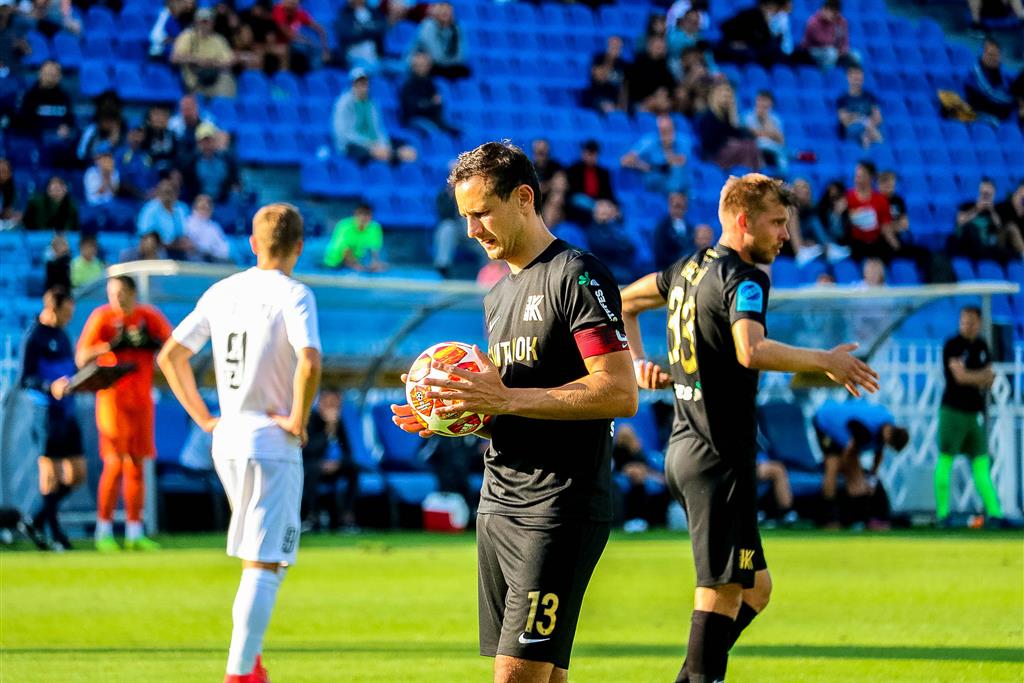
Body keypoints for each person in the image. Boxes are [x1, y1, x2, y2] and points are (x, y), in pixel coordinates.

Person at [391, 141, 638, 683]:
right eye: (465, 216)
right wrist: (457, 413)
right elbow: (519, 405)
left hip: (558, 505)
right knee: (543, 675)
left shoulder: (576, 274)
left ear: (524, 198)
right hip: (498, 502)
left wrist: (502, 400)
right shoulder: (497, 296)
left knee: (515, 675)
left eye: (481, 212)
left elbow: (618, 391)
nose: (471, 230)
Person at [619, 173, 879, 683]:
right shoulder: (745, 278)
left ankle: (693, 675)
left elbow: (625, 302)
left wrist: (636, 362)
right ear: (744, 221)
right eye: (777, 222)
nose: (785, 234)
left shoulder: (689, 267)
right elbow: (751, 349)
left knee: (755, 589)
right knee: (719, 591)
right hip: (716, 455)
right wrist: (826, 361)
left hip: (689, 449)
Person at [158, 203, 322, 683]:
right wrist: (298, 418)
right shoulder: (294, 293)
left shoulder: (222, 290)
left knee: (263, 558)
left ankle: (250, 661)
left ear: (252, 244)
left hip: (228, 437)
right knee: (265, 563)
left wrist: (203, 417)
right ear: (298, 247)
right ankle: (239, 673)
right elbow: (310, 361)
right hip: (270, 439)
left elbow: (171, 356)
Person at [76, 275, 173, 552]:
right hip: (112, 401)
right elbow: (81, 357)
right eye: (111, 294)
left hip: (141, 401)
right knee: (114, 463)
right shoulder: (102, 317)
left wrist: (154, 343)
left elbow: (172, 345)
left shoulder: (148, 316)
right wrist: (110, 346)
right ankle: (104, 530)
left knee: (137, 465)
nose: (115, 299)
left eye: (119, 293)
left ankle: (134, 531)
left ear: (132, 292)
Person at [18, 287, 85, 551]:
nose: (69, 318)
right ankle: (55, 533)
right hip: (46, 413)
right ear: (52, 309)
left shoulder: (63, 335)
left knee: (77, 474)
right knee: (51, 474)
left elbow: (70, 369)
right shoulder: (34, 337)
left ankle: (35, 520)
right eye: (66, 312)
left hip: (68, 411)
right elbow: (25, 379)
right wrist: (49, 387)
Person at [935, 306, 1005, 528]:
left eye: (971, 322)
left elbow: (990, 379)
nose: (967, 325)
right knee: (946, 459)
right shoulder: (953, 345)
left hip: (974, 413)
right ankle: (942, 514)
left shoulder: (982, 346)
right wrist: (979, 377)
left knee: (981, 464)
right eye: (964, 321)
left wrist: (973, 376)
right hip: (953, 411)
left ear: (979, 323)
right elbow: (960, 377)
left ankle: (995, 513)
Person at [814, 399, 909, 529]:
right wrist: (852, 477)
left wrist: (872, 478)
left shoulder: (887, 425)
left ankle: (858, 516)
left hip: (844, 427)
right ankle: (830, 517)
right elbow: (849, 452)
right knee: (833, 465)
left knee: (855, 475)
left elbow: (879, 453)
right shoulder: (865, 429)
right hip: (826, 422)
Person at [332, 68, 417, 164]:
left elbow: (379, 129)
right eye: (359, 83)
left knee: (409, 152)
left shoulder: (372, 104)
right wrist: (368, 144)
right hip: (352, 145)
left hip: (374, 144)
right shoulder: (343, 103)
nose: (363, 87)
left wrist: (384, 144)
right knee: (381, 154)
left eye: (365, 83)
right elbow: (343, 133)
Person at [302, 389, 358, 532]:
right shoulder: (310, 419)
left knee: (353, 468)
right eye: (328, 403)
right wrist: (328, 430)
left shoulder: (339, 422)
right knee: (313, 470)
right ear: (320, 403)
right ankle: (312, 516)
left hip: (334, 466)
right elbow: (309, 450)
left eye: (335, 404)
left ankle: (346, 516)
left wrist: (337, 463)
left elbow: (348, 451)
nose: (332, 407)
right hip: (313, 465)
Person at [172, 7, 237, 98]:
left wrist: (212, 63)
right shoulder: (187, 36)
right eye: (202, 21)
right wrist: (196, 60)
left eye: (207, 21)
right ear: (196, 22)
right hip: (195, 81)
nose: (204, 24)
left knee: (227, 78)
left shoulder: (218, 39)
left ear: (212, 23)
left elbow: (230, 60)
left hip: (215, 78)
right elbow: (174, 58)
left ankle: (224, 105)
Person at [696, 82, 762, 170]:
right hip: (714, 154)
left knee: (751, 144)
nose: (727, 99)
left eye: (729, 96)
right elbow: (709, 143)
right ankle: (748, 174)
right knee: (743, 147)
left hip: (730, 150)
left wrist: (734, 118)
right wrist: (728, 141)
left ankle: (756, 172)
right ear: (716, 97)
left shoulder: (728, 115)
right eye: (724, 96)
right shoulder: (708, 115)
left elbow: (736, 133)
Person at [619, 114, 691, 194]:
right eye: (662, 130)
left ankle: (677, 195)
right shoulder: (648, 141)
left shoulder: (684, 141)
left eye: (669, 130)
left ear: (674, 129)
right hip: (655, 178)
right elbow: (625, 161)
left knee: (678, 170)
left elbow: (681, 161)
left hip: (676, 179)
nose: (665, 134)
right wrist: (641, 165)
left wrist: (668, 152)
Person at [400, 51, 459, 137]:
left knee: (458, 131)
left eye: (425, 65)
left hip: (433, 119)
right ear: (413, 66)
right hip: (415, 120)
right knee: (432, 130)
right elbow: (412, 108)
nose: (422, 68)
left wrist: (433, 103)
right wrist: (431, 102)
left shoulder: (431, 83)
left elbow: (438, 104)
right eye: (419, 65)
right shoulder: (408, 85)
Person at [845, 161, 894, 262]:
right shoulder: (846, 198)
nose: (857, 180)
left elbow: (886, 228)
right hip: (854, 244)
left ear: (870, 178)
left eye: (861, 176)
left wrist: (896, 246)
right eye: (856, 176)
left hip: (876, 243)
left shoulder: (881, 200)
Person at [183, 122, 241, 204]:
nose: (207, 144)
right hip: (199, 203)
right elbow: (189, 185)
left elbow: (235, 181)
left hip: (222, 202)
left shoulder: (227, 160)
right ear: (198, 142)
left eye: (210, 140)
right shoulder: (191, 162)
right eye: (204, 141)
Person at [413, 2, 469, 80]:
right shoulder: (428, 26)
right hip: (431, 65)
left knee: (465, 71)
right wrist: (451, 62)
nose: (445, 13)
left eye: (447, 11)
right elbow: (436, 56)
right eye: (442, 10)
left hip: (449, 65)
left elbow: (461, 56)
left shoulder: (457, 27)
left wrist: (452, 62)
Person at [137, 178, 192, 258]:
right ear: (158, 193)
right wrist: (167, 244)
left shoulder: (181, 209)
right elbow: (145, 234)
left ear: (176, 194)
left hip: (177, 247)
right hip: (158, 246)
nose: (167, 196)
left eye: (170, 192)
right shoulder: (150, 209)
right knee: (149, 242)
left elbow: (185, 233)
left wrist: (185, 242)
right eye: (165, 192)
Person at [323, 203, 386, 272]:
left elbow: (374, 250)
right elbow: (345, 250)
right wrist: (357, 266)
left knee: (384, 267)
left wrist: (375, 262)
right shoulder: (345, 226)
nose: (363, 218)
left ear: (371, 216)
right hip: (335, 262)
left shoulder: (374, 228)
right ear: (355, 215)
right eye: (361, 215)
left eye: (367, 215)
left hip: (356, 259)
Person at [272, 0, 331, 74]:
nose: (292, 5)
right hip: (277, 42)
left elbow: (320, 30)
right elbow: (286, 32)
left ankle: (315, 74)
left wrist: (325, 50)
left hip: (293, 43)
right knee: (304, 46)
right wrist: (305, 40)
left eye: (295, 3)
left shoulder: (299, 13)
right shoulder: (278, 10)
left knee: (315, 48)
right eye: (290, 3)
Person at [565, 139, 615, 223]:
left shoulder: (603, 173)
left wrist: (611, 205)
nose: (591, 157)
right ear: (583, 154)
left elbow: (608, 193)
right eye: (589, 153)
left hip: (600, 203)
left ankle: (603, 215)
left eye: (593, 154)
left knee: (613, 210)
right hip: (580, 205)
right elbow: (573, 194)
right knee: (580, 200)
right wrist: (595, 205)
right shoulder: (573, 170)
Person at [801, 0, 857, 69]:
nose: (827, 13)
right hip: (812, 50)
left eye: (833, 12)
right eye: (826, 9)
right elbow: (822, 41)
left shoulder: (842, 22)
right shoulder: (813, 21)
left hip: (835, 51)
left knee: (856, 56)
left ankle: (847, 75)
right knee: (831, 53)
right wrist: (830, 24)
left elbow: (845, 40)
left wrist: (843, 49)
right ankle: (825, 74)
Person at [837, 65, 883, 148]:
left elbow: (878, 117)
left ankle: (869, 144)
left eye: (859, 76)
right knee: (868, 134)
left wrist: (868, 124)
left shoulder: (870, 96)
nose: (857, 79)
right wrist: (862, 121)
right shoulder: (842, 99)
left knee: (875, 131)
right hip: (852, 129)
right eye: (854, 76)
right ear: (848, 78)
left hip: (869, 126)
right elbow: (845, 121)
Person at [742, 91, 787, 175]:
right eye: (760, 101)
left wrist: (767, 121)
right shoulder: (747, 116)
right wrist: (771, 134)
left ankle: (783, 175)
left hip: (773, 148)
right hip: (754, 146)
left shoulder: (776, 118)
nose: (762, 104)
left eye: (765, 102)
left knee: (782, 152)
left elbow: (781, 141)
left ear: (771, 104)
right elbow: (753, 134)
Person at [334, 0, 386, 71]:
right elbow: (347, 35)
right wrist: (369, 29)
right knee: (364, 70)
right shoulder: (344, 14)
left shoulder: (373, 11)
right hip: (354, 58)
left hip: (376, 57)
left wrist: (361, 29)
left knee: (396, 67)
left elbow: (382, 28)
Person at [653, 191, 694, 271]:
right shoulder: (661, 229)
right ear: (670, 206)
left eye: (682, 207)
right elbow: (661, 256)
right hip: (668, 271)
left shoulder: (690, 228)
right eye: (676, 206)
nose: (679, 210)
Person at [186, 194, 234, 263]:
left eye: (207, 209)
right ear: (194, 208)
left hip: (212, 261)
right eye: (202, 208)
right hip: (192, 261)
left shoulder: (214, 227)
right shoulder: (187, 224)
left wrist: (211, 251)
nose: (204, 211)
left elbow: (224, 250)